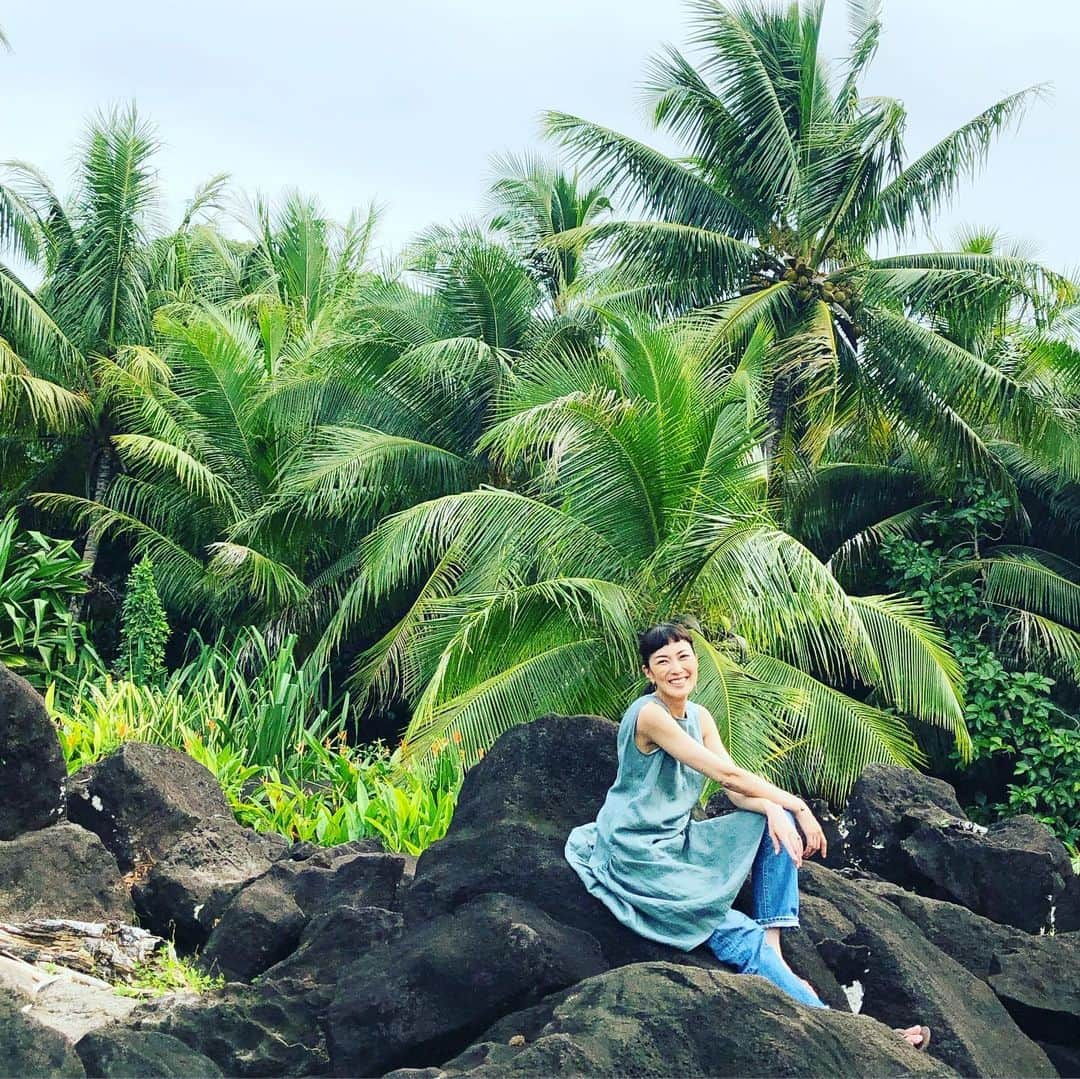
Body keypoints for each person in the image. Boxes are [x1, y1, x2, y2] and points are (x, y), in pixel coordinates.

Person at [565, 621, 930, 1051]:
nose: (676, 668)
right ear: (649, 673)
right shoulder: (649, 715)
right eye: (662, 662)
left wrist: (776, 810)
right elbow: (724, 772)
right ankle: (859, 1036)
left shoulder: (699, 716)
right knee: (741, 935)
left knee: (771, 821)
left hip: (678, 843)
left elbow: (735, 792)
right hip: (637, 856)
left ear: (695, 661)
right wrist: (795, 802)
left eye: (683, 657)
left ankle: (772, 938)